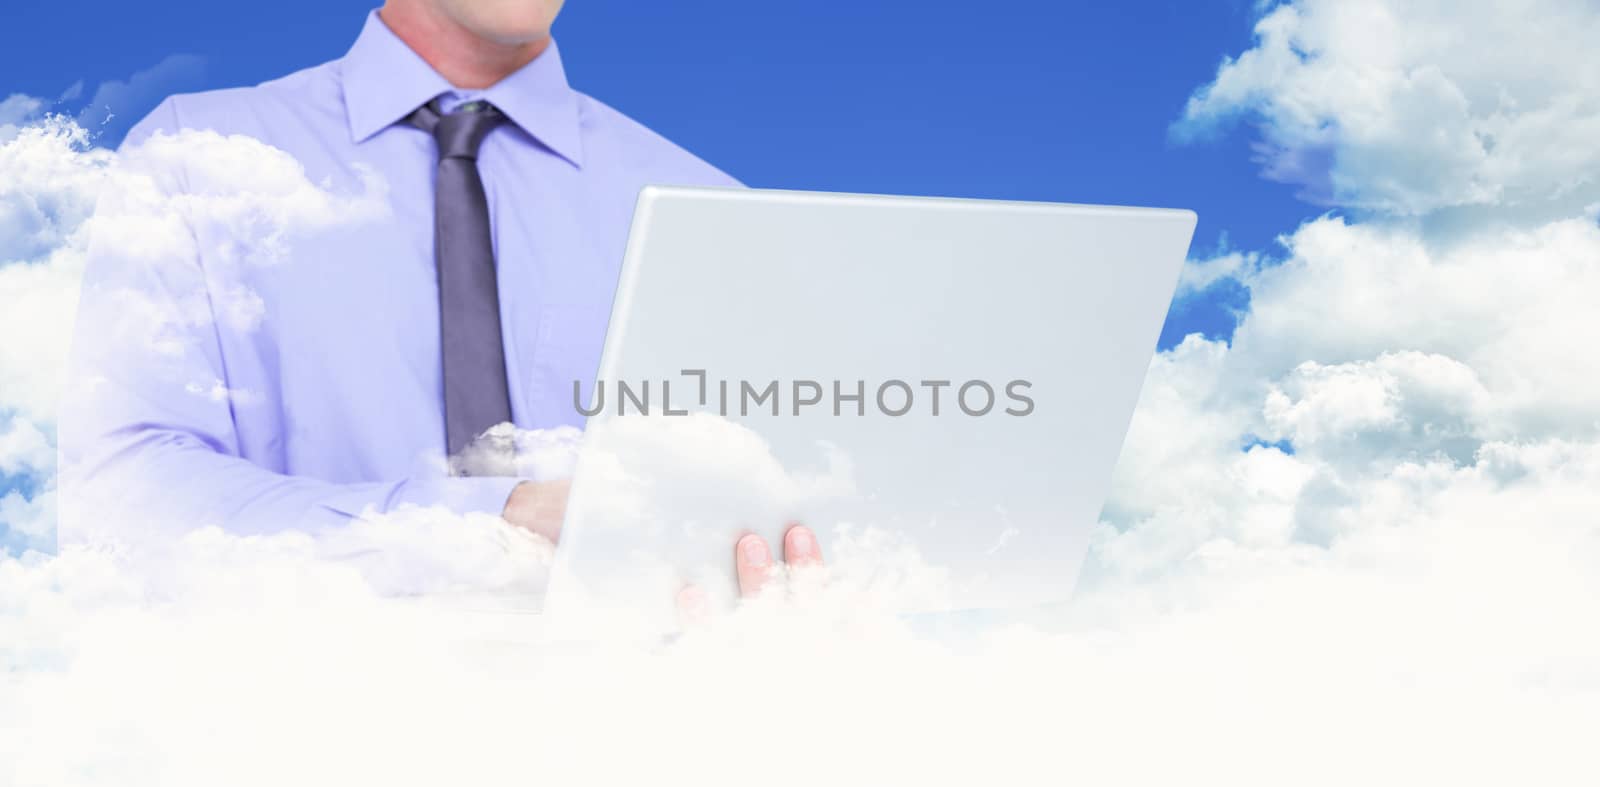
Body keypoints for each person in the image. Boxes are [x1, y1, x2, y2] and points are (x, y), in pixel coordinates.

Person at [57, 0, 821, 592]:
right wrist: (490, 524)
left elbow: (766, 508)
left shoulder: (708, 210)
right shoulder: (196, 161)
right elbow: (120, 504)